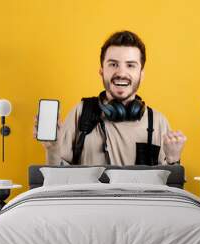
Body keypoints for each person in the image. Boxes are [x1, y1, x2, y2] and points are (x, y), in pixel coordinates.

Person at [34, 30, 187, 166]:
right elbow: (58, 181)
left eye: (130, 65)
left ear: (142, 73)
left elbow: (167, 190)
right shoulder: (81, 112)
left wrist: (173, 159)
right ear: (101, 71)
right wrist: (52, 149)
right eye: (113, 64)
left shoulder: (158, 122)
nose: (121, 72)